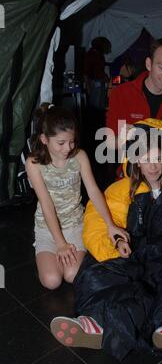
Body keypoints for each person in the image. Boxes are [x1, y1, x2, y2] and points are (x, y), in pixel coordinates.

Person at [50, 119, 162, 362]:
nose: (152, 166)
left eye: (157, 158)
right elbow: (99, 220)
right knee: (100, 270)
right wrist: (115, 244)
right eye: (146, 159)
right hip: (131, 250)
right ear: (136, 159)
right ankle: (94, 322)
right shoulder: (121, 189)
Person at [26, 103, 129, 290]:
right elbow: (46, 204)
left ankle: (73, 253)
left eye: (72, 141)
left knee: (72, 275)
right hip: (47, 228)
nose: (68, 148)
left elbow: (93, 191)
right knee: (52, 281)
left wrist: (110, 224)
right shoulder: (33, 163)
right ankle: (47, 258)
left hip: (75, 223)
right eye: (61, 143)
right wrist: (60, 243)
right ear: (44, 139)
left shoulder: (79, 156)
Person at [106, 37, 162, 148]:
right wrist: (121, 139)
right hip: (130, 163)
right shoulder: (121, 94)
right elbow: (110, 144)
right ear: (149, 64)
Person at [84, 37, 111, 112]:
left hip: (100, 82)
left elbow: (99, 69)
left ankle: (99, 121)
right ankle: (95, 121)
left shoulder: (99, 55)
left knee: (101, 106)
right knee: (95, 106)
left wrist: (105, 76)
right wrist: (88, 86)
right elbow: (86, 72)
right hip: (94, 83)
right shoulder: (90, 54)